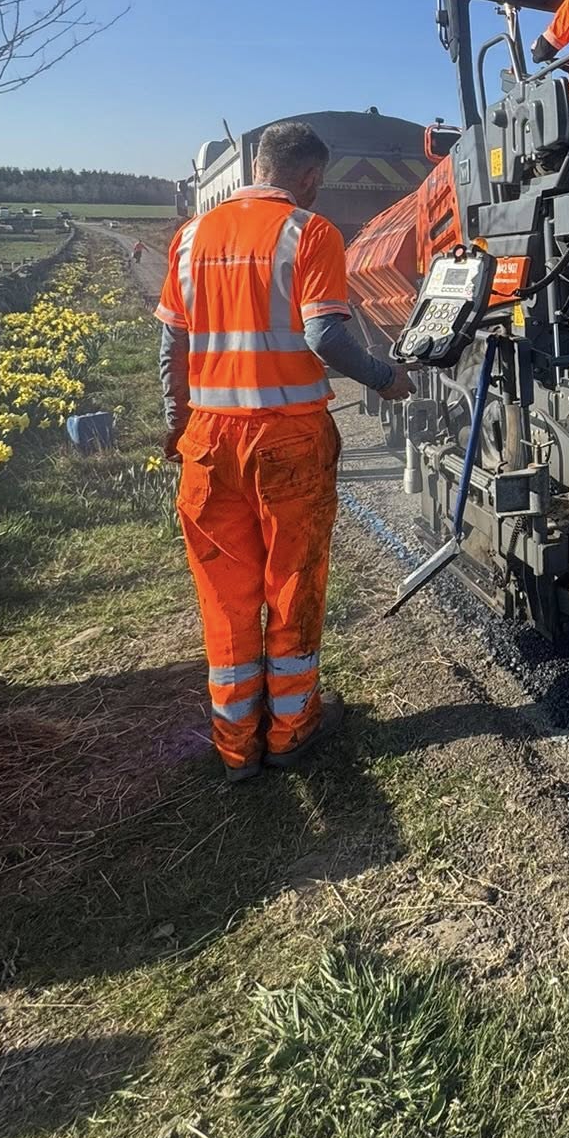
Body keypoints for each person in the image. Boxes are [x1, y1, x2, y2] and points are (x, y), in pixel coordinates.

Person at [156, 120, 412, 783]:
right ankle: (292, 731)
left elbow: (171, 351)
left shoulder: (188, 238)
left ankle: (237, 747)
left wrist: (176, 425)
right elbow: (326, 335)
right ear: (303, 177)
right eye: (317, 183)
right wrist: (386, 378)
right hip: (288, 442)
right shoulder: (309, 232)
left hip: (209, 443)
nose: (317, 193)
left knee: (226, 596)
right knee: (292, 585)